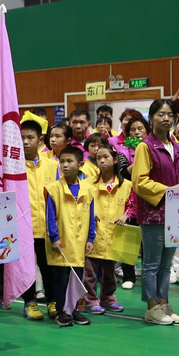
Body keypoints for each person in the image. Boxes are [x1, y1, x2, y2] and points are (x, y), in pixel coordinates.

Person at [132, 99, 179, 325]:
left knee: (167, 263)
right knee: (152, 263)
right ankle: (151, 307)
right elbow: (139, 182)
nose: (166, 118)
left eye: (170, 114)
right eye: (161, 114)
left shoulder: (176, 146)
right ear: (151, 118)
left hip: (173, 212)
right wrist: (168, 190)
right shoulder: (145, 146)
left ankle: (164, 303)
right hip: (153, 213)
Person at [43, 146, 95, 328]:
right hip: (61, 244)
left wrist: (90, 238)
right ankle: (60, 311)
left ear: (80, 164)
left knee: (76, 279)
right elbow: (49, 216)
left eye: (69, 161)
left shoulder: (88, 189)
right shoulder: (53, 189)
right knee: (60, 280)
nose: (64, 165)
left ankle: (73, 310)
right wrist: (54, 237)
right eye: (61, 161)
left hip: (79, 244)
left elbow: (91, 215)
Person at [81, 145, 131, 315]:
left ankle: (108, 298)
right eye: (98, 158)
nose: (101, 161)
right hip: (93, 234)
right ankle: (90, 300)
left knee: (110, 271)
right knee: (90, 271)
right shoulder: (87, 184)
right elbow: (81, 203)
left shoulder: (126, 185)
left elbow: (133, 206)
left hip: (115, 234)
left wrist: (126, 215)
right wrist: (89, 211)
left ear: (115, 159)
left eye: (105, 157)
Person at [21, 118, 59, 321]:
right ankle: (29, 302)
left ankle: (53, 301)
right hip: (24, 228)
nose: (26, 142)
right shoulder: (14, 168)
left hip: (48, 228)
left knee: (49, 267)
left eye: (30, 137)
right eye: (22, 138)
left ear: (40, 139)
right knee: (27, 268)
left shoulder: (53, 165)